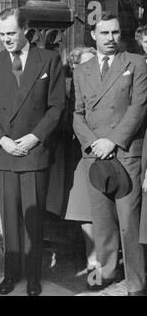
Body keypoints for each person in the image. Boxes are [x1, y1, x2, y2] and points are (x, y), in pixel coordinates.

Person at [0, 7, 66, 296]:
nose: (6, 39)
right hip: (5, 150)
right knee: (10, 217)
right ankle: (10, 273)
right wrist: (0, 139)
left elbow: (57, 106)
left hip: (33, 151)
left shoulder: (49, 60)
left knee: (33, 218)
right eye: (1, 34)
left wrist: (34, 137)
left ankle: (33, 277)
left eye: (11, 33)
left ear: (25, 28)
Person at [73, 11, 147, 296]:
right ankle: (104, 274)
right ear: (93, 35)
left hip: (125, 153)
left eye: (115, 32)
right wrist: (94, 143)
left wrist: (112, 141)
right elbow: (77, 114)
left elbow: (138, 108)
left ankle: (137, 282)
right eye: (104, 33)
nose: (111, 38)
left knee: (129, 222)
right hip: (95, 155)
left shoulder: (136, 63)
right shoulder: (82, 71)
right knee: (101, 220)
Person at [64, 47, 98, 276]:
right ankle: (91, 260)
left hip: (106, 152)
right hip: (77, 156)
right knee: (84, 211)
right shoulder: (69, 90)